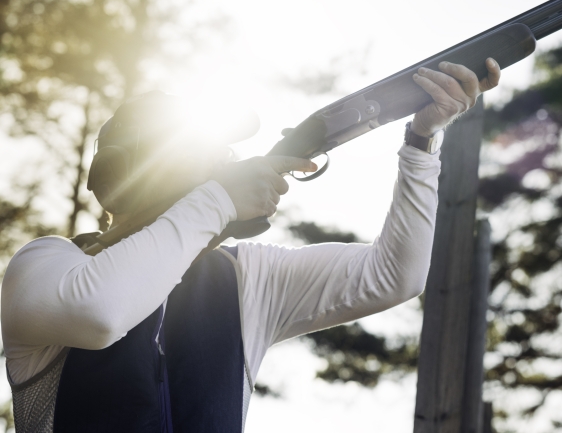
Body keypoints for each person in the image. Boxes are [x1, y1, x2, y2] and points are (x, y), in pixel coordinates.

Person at [1, 58, 501, 433]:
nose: (221, 159)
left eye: (220, 154)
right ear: (131, 169)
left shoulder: (245, 278)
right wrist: (218, 201)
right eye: (199, 153)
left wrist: (421, 144)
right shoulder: (46, 265)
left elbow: (397, 276)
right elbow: (100, 311)